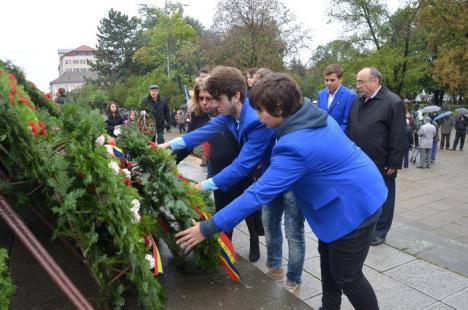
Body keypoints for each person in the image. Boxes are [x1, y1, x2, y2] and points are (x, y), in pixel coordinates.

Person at [175, 73, 387, 310]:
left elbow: (257, 194)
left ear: (278, 108)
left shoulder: (295, 146)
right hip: (351, 193)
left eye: (260, 110)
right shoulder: (307, 113)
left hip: (354, 207)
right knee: (328, 259)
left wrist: (208, 227)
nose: (257, 117)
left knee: (348, 276)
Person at [161, 66, 276, 261]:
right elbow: (202, 133)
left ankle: (276, 264)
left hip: (273, 173)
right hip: (253, 171)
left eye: (217, 99)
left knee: (274, 222)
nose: (213, 104)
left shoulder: (255, 120)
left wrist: (201, 186)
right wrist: (166, 145)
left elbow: (242, 166)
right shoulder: (230, 114)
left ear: (236, 96)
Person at [249, 67, 306, 294]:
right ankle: (274, 267)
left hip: (293, 182)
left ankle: (294, 277)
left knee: (294, 229)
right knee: (270, 222)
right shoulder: (263, 120)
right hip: (270, 177)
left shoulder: (293, 121)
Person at [346, 67, 405, 246]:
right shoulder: (357, 101)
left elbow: (399, 134)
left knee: (384, 198)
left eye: (361, 82)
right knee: (362, 194)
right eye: (357, 82)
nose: (358, 86)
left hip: (382, 162)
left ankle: (380, 231)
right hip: (359, 161)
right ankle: (363, 226)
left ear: (375, 81)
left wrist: (394, 163)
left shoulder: (392, 101)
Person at [317, 64, 356, 130]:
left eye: (332, 80)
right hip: (322, 135)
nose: (328, 83)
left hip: (339, 136)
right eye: (326, 80)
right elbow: (318, 116)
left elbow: (347, 123)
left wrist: (335, 136)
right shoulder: (321, 94)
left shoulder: (350, 96)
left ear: (340, 79)